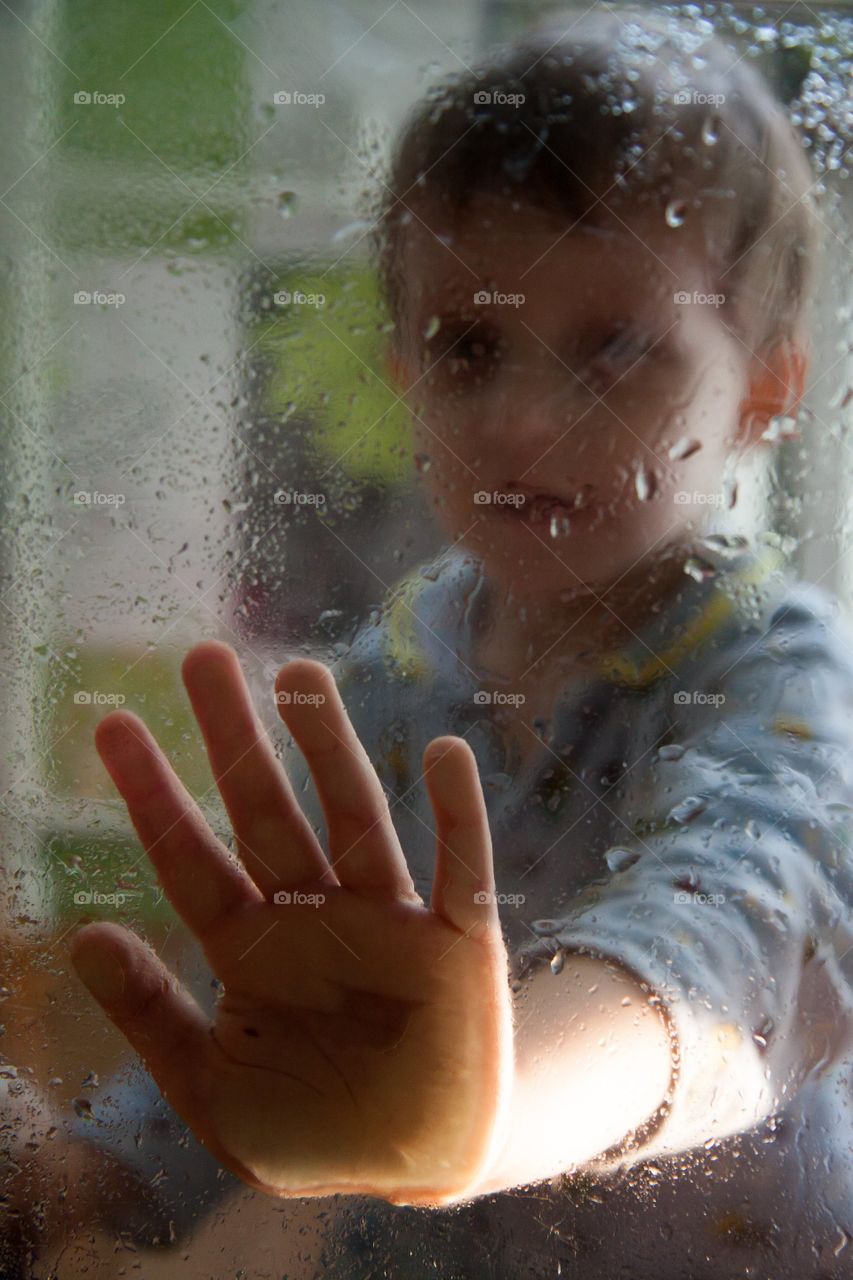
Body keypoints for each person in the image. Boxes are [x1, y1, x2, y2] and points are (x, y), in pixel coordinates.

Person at [58, 7, 853, 1275]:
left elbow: (742, 934)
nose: (527, 422)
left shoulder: (774, 667)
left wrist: (477, 1106)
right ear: (401, 370)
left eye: (616, 349)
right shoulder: (391, 675)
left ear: (760, 388)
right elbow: (283, 1021)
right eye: (469, 346)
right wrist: (86, 1162)